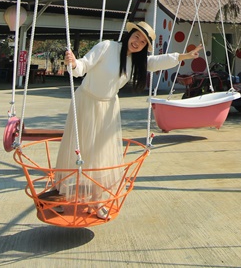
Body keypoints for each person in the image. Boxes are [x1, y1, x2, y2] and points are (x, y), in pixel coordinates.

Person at [39, 21, 202, 219]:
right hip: (86, 102)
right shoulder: (107, 47)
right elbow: (83, 66)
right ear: (129, 34)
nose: (137, 43)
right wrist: (73, 62)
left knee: (102, 153)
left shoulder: (136, 61)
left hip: (108, 108)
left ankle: (98, 201)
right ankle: (62, 195)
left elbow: (158, 61)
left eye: (142, 42)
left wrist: (184, 56)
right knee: (77, 147)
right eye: (136, 37)